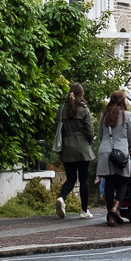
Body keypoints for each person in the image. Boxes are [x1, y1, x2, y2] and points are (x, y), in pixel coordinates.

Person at [54, 83, 97, 219]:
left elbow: (57, 127)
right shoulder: (84, 109)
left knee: (71, 178)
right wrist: (87, 142)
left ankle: (62, 198)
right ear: (81, 94)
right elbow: (90, 130)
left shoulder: (61, 109)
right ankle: (84, 211)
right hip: (82, 147)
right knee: (83, 179)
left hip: (66, 147)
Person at [96, 90, 131, 227]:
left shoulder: (104, 115)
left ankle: (110, 217)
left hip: (105, 152)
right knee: (124, 181)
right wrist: (127, 148)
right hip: (121, 152)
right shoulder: (127, 115)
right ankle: (116, 207)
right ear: (124, 100)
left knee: (109, 183)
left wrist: (106, 147)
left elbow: (101, 135)